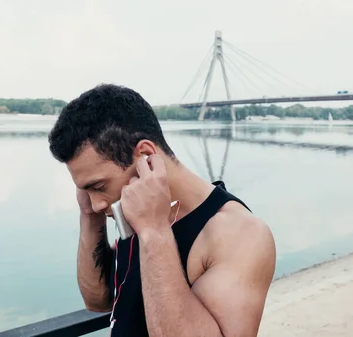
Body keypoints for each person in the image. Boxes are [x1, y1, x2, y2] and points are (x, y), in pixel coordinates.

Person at [48, 84, 276, 337]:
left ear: (145, 156)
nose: (97, 203)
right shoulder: (132, 212)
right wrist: (89, 217)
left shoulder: (238, 233)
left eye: (99, 186)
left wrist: (154, 232)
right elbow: (97, 301)